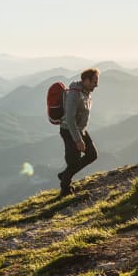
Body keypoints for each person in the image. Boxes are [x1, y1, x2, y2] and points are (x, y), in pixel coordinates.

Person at [58, 68, 99, 197]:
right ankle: (65, 188)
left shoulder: (86, 91)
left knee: (91, 154)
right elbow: (69, 118)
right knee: (73, 162)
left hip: (80, 129)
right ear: (86, 80)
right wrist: (78, 140)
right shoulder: (74, 93)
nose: (96, 84)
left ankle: (65, 175)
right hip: (69, 130)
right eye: (94, 81)